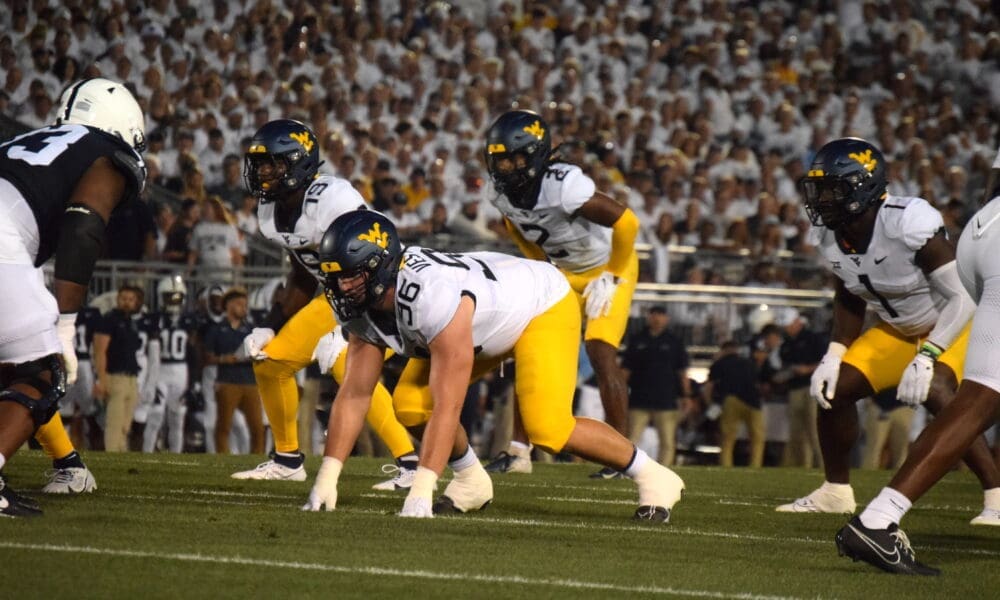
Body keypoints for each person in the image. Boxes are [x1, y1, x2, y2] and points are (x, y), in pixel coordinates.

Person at [301, 210, 684, 521]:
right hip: (485, 320)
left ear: (379, 267)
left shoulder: (431, 296)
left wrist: (422, 488)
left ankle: (653, 475)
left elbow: (450, 404)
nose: (341, 288)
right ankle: (470, 480)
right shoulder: (367, 306)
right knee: (411, 406)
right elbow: (353, 395)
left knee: (548, 428)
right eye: (334, 277)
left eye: (351, 277)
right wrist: (328, 477)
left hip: (540, 306)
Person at [774, 138, 1000, 525]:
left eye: (830, 188)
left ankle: (996, 495)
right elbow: (848, 292)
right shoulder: (831, 234)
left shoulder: (907, 221)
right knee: (834, 390)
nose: (820, 199)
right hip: (896, 330)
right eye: (818, 189)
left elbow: (962, 296)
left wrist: (929, 355)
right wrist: (834, 353)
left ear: (861, 186)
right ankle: (835, 491)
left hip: (955, 322)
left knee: (938, 391)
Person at [835, 153, 1000, 575]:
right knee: (981, 397)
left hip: (984, 233)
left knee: (980, 396)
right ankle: (877, 519)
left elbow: (993, 184)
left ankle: (879, 517)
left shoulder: (905, 219)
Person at [232, 119, 417, 486]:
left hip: (385, 289)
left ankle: (410, 463)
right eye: (260, 163)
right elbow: (302, 272)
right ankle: (287, 459)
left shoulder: (332, 198)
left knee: (344, 364)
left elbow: (369, 258)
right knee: (272, 362)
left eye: (273, 162)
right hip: (339, 293)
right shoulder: (270, 211)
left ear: (298, 162)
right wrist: (272, 321)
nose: (264, 171)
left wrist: (350, 321)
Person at [0, 77, 146, 515]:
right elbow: (83, 226)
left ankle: (67, 463)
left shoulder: (28, 138)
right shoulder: (104, 152)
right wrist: (65, 325)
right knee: (42, 371)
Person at [481, 110, 640, 479]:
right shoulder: (500, 193)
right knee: (529, 347)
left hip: (607, 268)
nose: (504, 168)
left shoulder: (563, 184)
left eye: (513, 158)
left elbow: (627, 222)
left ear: (535, 155)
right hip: (564, 272)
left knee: (600, 352)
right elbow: (515, 225)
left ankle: (620, 454)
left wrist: (614, 275)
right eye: (499, 159)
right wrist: (540, 266)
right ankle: (519, 452)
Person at [621, 306, 691, 466]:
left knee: (667, 441)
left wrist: (686, 395)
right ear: (648, 317)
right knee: (632, 438)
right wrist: (621, 393)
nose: (657, 318)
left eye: (661, 315)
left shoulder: (674, 341)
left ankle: (663, 471)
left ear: (667, 318)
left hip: (666, 399)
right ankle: (626, 467)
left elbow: (682, 371)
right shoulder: (637, 339)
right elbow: (626, 370)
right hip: (639, 398)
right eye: (654, 315)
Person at [142, 274, 199, 453]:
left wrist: (194, 382)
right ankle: (147, 453)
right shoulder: (155, 319)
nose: (174, 301)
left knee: (177, 416)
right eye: (169, 296)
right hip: (160, 368)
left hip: (181, 371)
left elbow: (193, 352)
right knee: (156, 414)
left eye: (177, 297)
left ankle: (175, 456)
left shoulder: (189, 320)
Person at [204, 288, 264, 454]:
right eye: (239, 304)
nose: (243, 308)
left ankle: (256, 458)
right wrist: (224, 359)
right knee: (224, 425)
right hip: (227, 382)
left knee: (257, 427)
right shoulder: (216, 329)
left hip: (250, 382)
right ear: (228, 306)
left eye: (245, 304)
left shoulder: (252, 329)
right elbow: (207, 357)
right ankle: (223, 456)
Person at [92, 284, 150, 452]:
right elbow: (100, 351)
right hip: (115, 376)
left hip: (131, 377)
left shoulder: (130, 322)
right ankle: (111, 456)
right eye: (124, 298)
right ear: (118, 299)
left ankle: (120, 455)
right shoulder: (109, 319)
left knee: (125, 425)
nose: (127, 302)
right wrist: (101, 380)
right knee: (114, 423)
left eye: (131, 299)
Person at [706, 340, 764, 467]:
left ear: (723, 350)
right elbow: (759, 382)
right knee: (757, 438)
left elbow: (709, 386)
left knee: (727, 438)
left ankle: (726, 465)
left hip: (730, 400)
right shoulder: (748, 362)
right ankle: (756, 466)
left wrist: (710, 403)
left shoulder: (720, 363)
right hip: (753, 401)